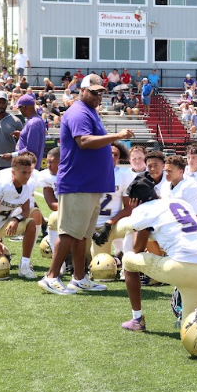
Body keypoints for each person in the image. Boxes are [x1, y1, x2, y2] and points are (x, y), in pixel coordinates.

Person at [37, 74, 134, 295]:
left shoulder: (89, 112)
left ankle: (79, 278)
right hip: (77, 183)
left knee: (82, 235)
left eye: (101, 92)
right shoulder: (79, 112)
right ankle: (51, 276)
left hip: (89, 184)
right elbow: (84, 141)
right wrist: (116, 135)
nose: (98, 96)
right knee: (68, 232)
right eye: (93, 92)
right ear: (81, 90)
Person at [119, 176, 197, 332]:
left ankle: (137, 320)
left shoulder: (144, 209)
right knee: (193, 329)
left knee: (128, 260)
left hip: (178, 268)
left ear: (135, 200)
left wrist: (136, 218)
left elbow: (137, 249)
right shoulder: (180, 202)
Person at [0, 152, 43, 279]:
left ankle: (25, 265)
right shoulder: (1, 184)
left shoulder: (30, 184)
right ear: (13, 172)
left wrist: (16, 219)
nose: (27, 176)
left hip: (6, 222)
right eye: (23, 172)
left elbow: (26, 211)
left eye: (29, 172)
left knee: (31, 222)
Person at [0, 94, 45, 166]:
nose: (20, 111)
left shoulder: (33, 123)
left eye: (20, 108)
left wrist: (12, 155)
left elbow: (31, 151)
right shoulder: (36, 120)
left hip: (27, 169)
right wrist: (22, 135)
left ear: (24, 107)